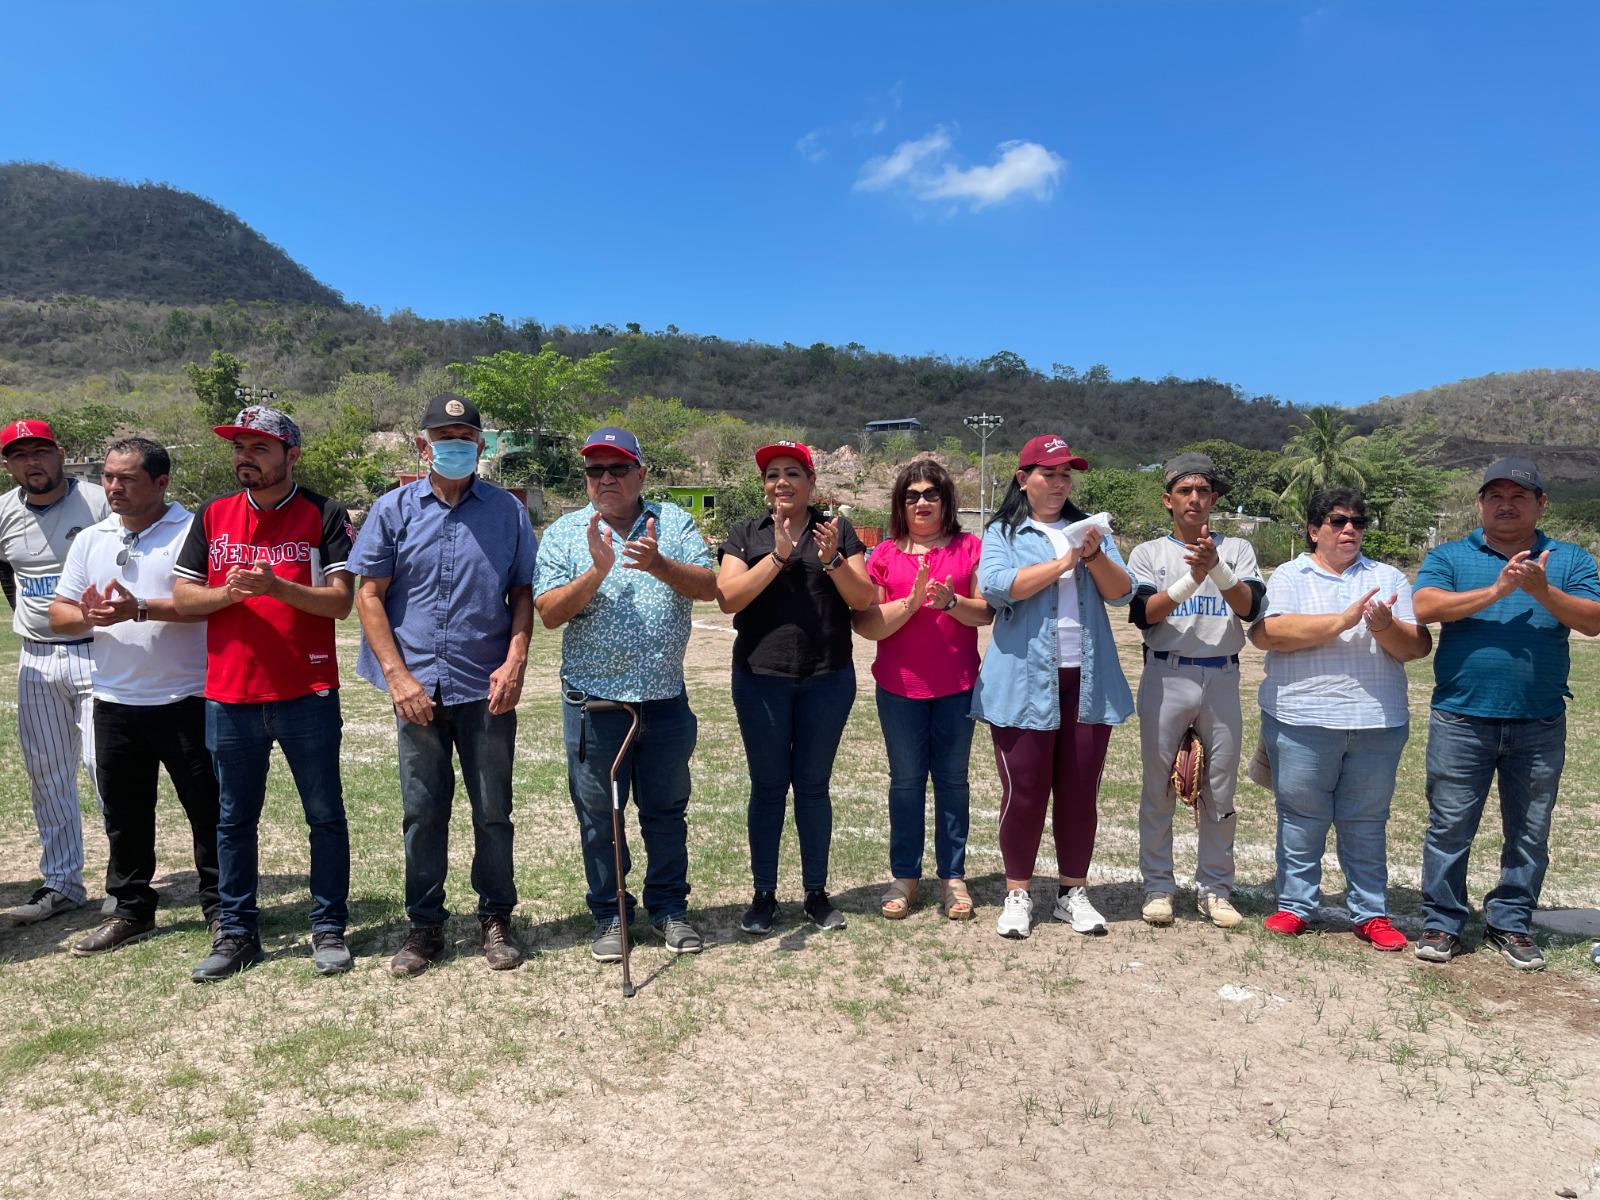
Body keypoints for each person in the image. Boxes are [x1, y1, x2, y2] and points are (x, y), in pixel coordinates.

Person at [351, 394, 537, 977]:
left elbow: (523, 594)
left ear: (481, 445)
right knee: (422, 811)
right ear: (422, 444)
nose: (453, 443)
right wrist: (397, 676)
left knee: (493, 811)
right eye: (442, 434)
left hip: (486, 688)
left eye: (464, 434)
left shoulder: (507, 512)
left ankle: (496, 918)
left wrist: (515, 660)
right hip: (417, 692)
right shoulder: (392, 509)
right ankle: (424, 926)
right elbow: (369, 595)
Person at [172, 405, 356, 981]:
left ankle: (327, 927)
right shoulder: (213, 515)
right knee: (232, 820)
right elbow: (183, 599)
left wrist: (277, 585)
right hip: (229, 694)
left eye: (259, 447)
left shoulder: (324, 514)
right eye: (238, 447)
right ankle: (237, 932)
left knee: (324, 816)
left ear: (290, 455)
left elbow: (341, 602)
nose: (244, 457)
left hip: (307, 688)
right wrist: (230, 595)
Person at [534, 426, 717, 964]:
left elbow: (710, 589)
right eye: (595, 470)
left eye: (618, 468)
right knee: (600, 818)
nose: (606, 478)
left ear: (641, 473)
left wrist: (659, 563)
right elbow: (548, 613)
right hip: (595, 705)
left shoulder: (674, 522)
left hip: (664, 702)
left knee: (666, 811)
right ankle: (610, 913)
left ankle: (669, 910)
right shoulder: (567, 532)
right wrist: (598, 569)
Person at [1411, 458, 1600, 971]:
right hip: (1461, 718)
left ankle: (1511, 921)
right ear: (1480, 504)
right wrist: (1497, 591)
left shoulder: (1570, 558)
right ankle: (1442, 920)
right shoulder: (1450, 554)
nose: (1506, 504)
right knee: (1449, 826)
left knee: (1530, 830)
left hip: (1539, 721)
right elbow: (1424, 606)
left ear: (1541, 504)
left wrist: (1542, 591)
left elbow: (1593, 622)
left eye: (1519, 496)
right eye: (1495, 495)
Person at [46, 437, 220, 954]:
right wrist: (91, 615)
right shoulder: (92, 538)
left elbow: (209, 606)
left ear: (162, 483)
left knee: (209, 811)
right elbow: (59, 614)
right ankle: (131, 909)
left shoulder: (192, 529)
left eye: (127, 478)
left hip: (188, 695)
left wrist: (138, 608)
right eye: (107, 477)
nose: (113, 487)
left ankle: (222, 907)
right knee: (124, 814)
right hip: (115, 699)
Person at [1249, 488, 1431, 950]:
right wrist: (1345, 619)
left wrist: (1384, 626)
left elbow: (1415, 648)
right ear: (1314, 530)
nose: (1349, 528)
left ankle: (1370, 914)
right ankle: (1295, 906)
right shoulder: (1290, 574)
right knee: (1300, 818)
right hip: (1302, 718)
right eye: (1337, 521)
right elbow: (1270, 634)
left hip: (1377, 721)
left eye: (1357, 521)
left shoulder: (1389, 576)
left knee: (1366, 821)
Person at [970, 434, 1136, 940]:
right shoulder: (1003, 530)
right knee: (1024, 793)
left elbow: (1121, 591)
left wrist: (1090, 555)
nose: (1060, 483)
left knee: (1080, 791)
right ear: (1024, 479)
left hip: (1088, 679)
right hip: (1022, 680)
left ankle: (1072, 893)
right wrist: (1063, 562)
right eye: (1050, 473)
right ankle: (1017, 893)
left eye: (1067, 474)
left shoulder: (1092, 532)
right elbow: (997, 586)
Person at [716, 440, 875, 934]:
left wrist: (832, 561)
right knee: (767, 789)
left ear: (811, 483)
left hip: (827, 677)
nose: (781, 482)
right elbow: (728, 598)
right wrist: (779, 557)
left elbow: (865, 598)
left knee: (812, 788)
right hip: (761, 678)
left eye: (792, 474)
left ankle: (816, 894)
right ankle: (763, 894)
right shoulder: (747, 533)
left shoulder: (838, 531)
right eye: (772, 475)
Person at [1127, 453, 1263, 930]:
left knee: (1219, 787)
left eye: (1203, 491)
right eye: (1184, 491)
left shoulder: (1238, 549)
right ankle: (1158, 885)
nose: (1194, 498)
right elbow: (1144, 614)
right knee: (1160, 785)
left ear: (1215, 500)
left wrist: (1217, 569)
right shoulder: (1148, 553)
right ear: (1168, 500)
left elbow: (1249, 607)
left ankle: (1215, 888)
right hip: (1167, 671)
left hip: (1222, 672)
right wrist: (1194, 577)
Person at [852, 459, 989, 921]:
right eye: (912, 496)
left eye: (931, 494)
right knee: (906, 783)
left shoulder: (970, 547)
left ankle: (953, 877)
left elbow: (986, 613)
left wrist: (951, 602)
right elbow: (868, 625)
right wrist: (909, 606)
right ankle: (905, 877)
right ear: (900, 504)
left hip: (958, 686)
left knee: (953, 782)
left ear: (946, 500)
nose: (922, 502)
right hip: (899, 690)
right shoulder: (885, 555)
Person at [0, 419, 110, 925]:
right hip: (37, 656)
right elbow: (9, 574)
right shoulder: (3, 511)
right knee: (47, 773)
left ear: (60, 454)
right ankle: (62, 883)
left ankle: (124, 881)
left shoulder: (97, 501)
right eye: (20, 456)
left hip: (99, 649)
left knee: (102, 766)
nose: (32, 463)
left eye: (40, 452)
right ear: (8, 464)